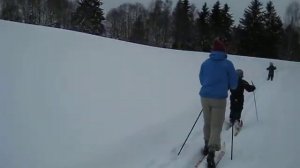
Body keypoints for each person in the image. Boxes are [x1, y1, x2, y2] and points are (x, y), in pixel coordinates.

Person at [199, 38, 238, 168]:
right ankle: (210, 153)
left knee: (207, 122)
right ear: (223, 51)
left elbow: (201, 79)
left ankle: (206, 144)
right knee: (216, 126)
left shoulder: (205, 63)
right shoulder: (228, 64)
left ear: (213, 51)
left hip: (204, 97)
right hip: (219, 99)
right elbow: (234, 84)